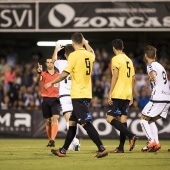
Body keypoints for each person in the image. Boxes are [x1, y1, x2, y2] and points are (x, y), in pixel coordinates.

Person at [45, 32, 108, 158]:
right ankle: (63, 150)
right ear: (82, 41)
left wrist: (51, 82)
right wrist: (85, 42)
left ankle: (101, 148)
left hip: (78, 94)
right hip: (86, 93)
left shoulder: (73, 55)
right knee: (72, 124)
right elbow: (92, 51)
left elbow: (64, 74)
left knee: (86, 123)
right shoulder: (89, 55)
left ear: (73, 43)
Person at [106, 39, 138, 153]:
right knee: (123, 120)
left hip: (118, 93)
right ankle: (120, 148)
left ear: (114, 48)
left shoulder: (116, 58)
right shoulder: (129, 60)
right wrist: (132, 95)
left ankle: (131, 135)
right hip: (127, 94)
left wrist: (110, 92)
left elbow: (115, 76)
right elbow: (133, 79)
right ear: (122, 47)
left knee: (109, 118)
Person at [140, 45, 170, 152]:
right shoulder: (160, 65)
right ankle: (156, 143)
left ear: (145, 55)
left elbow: (152, 74)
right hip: (167, 98)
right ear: (155, 55)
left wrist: (152, 78)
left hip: (158, 97)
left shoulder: (150, 65)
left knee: (143, 119)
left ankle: (151, 141)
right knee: (151, 120)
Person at [52, 43, 80, 151]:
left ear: (65, 53)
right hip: (76, 94)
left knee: (69, 121)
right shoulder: (78, 63)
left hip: (64, 95)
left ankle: (75, 141)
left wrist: (56, 49)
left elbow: (53, 60)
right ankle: (73, 142)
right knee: (75, 121)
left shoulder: (61, 62)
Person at [37, 58, 60, 147]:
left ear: (53, 64)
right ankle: (50, 140)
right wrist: (39, 72)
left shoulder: (59, 75)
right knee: (48, 121)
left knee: (55, 118)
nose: (50, 64)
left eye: (51, 62)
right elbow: (38, 79)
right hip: (46, 99)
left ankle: (52, 139)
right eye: (48, 62)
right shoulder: (43, 74)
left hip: (55, 100)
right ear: (46, 64)